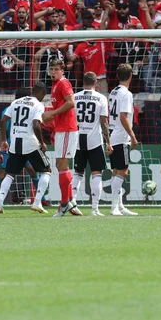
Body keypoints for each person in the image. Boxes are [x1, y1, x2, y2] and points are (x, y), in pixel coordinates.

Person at [0, 83, 51, 214]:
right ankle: (37, 202)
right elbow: (36, 125)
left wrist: (3, 140)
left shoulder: (16, 102)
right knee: (47, 170)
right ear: (42, 93)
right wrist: (42, 142)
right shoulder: (38, 105)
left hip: (15, 142)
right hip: (30, 142)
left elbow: (3, 120)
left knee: (9, 174)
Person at [0, 87, 41, 207]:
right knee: (2, 174)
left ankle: (42, 199)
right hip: (11, 146)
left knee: (31, 170)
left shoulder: (13, 109)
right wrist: (0, 145)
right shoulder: (10, 110)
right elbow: (4, 128)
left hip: (20, 145)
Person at [42, 58, 83, 217]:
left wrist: (51, 113)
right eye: (51, 69)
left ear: (62, 71)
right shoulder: (54, 85)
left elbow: (71, 103)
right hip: (61, 128)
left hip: (67, 128)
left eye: (56, 69)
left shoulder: (64, 83)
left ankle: (64, 203)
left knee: (62, 164)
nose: (53, 72)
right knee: (60, 164)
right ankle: (70, 202)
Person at [71, 72, 112, 217]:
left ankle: (73, 204)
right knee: (96, 174)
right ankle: (94, 209)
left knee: (77, 174)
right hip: (94, 140)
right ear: (96, 83)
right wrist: (109, 142)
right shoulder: (101, 98)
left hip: (78, 139)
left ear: (83, 82)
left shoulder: (74, 97)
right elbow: (104, 122)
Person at [108, 63, 139, 216]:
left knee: (116, 171)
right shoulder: (126, 94)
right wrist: (132, 136)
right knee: (123, 171)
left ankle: (119, 206)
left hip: (112, 133)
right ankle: (114, 207)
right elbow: (123, 116)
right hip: (121, 135)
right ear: (131, 76)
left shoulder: (113, 92)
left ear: (117, 76)